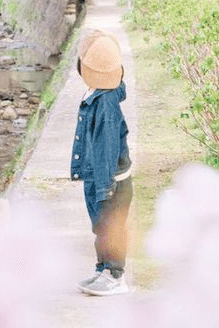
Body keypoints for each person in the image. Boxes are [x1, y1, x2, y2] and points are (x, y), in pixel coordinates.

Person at [70, 29, 132, 296]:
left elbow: (106, 148)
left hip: (111, 180)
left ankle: (116, 276)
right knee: (100, 225)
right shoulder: (98, 94)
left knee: (111, 226)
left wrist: (105, 187)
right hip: (100, 175)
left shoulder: (105, 103)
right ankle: (103, 268)